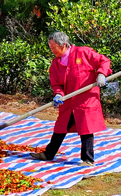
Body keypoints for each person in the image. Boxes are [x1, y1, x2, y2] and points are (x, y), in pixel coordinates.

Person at [29, 32, 112, 165]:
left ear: (63, 45)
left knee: (86, 128)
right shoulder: (56, 64)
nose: (52, 50)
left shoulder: (83, 53)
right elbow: (57, 84)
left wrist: (102, 73)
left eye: (53, 47)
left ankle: (87, 159)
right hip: (68, 102)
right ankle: (48, 154)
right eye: (50, 47)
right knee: (60, 127)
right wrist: (58, 93)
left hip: (85, 99)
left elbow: (104, 61)